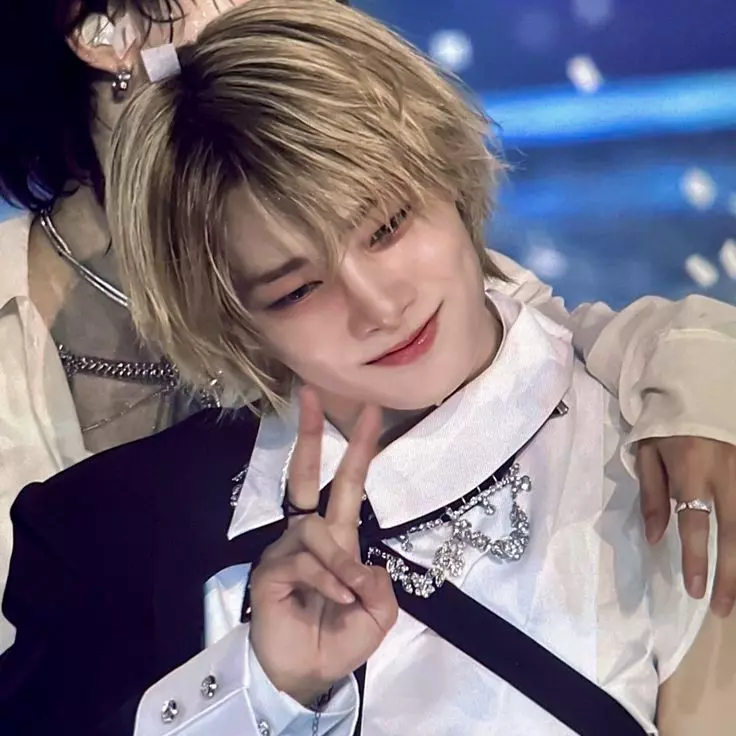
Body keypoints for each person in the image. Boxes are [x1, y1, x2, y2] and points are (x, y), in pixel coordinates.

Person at [2, 2, 735, 733]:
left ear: (448, 171)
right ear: (232, 319)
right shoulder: (105, 532)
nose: (379, 306)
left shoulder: (672, 450)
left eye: (387, 226)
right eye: (297, 290)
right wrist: (259, 691)